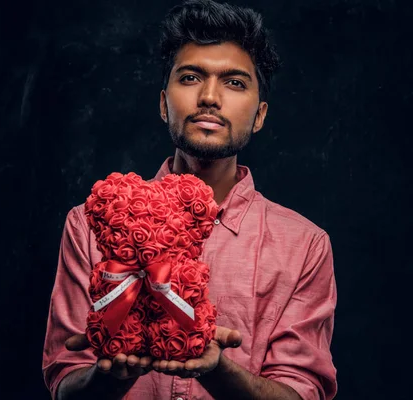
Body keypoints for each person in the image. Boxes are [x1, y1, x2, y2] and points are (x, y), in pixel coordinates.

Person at [42, 1, 338, 399]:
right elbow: (65, 384)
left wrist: (216, 370)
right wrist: (113, 373)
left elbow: (302, 392)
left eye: (234, 82)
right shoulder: (91, 224)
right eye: (191, 77)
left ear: (260, 115)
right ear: (164, 103)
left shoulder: (304, 245)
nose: (210, 97)